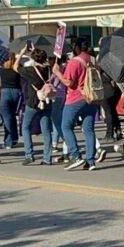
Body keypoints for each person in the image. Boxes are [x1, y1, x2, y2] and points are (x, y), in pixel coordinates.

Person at [59, 40, 99, 171]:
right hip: (92, 97)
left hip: (76, 98)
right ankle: (90, 161)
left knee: (66, 126)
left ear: (76, 48)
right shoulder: (93, 60)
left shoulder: (74, 62)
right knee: (89, 129)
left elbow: (69, 82)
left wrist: (57, 72)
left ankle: (76, 155)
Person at [19, 48, 53, 165]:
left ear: (33, 58)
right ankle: (47, 157)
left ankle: (29, 154)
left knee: (25, 127)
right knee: (46, 130)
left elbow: (15, 67)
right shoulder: (48, 69)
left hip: (33, 101)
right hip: (47, 100)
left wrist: (22, 53)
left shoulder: (30, 70)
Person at [0, 54, 22, 151]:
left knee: (7, 118)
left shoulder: (0, 70)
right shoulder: (17, 69)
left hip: (4, 93)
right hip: (16, 92)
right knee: (12, 116)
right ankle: (14, 138)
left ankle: (9, 141)